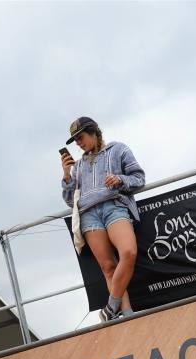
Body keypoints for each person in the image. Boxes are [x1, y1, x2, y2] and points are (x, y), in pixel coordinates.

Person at [60, 117, 146, 321]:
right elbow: (70, 201)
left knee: (129, 252)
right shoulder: (77, 166)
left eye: (80, 137)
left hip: (114, 207)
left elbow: (139, 178)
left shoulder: (118, 149)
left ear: (93, 132)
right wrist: (66, 177)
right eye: (75, 140)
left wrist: (120, 180)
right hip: (89, 215)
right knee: (108, 267)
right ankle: (126, 315)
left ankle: (110, 307)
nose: (79, 143)